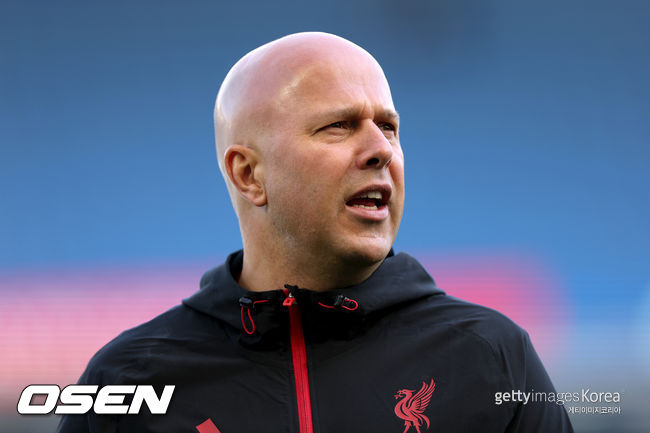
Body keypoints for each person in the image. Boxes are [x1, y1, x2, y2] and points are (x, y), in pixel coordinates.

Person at [57, 32, 573, 433]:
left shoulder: (490, 356)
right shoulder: (129, 381)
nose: (381, 150)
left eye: (388, 127)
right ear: (248, 174)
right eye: (339, 126)